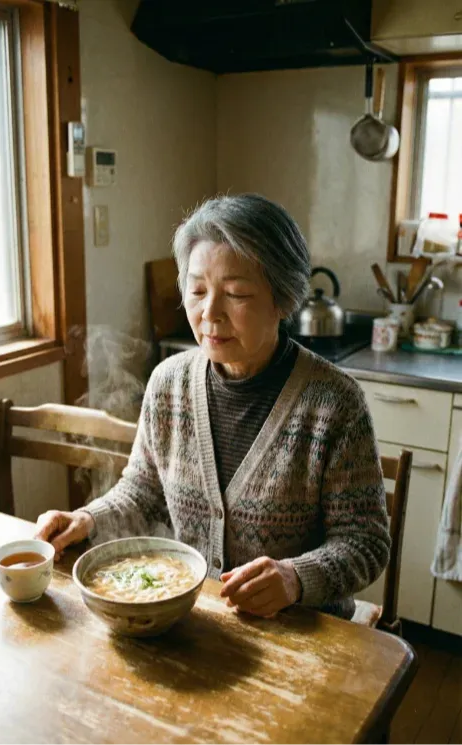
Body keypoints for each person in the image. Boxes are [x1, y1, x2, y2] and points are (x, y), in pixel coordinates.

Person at [36, 193, 390, 620]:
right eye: (198, 290)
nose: (210, 313)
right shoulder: (168, 384)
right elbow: (144, 490)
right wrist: (87, 519)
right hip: (196, 617)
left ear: (283, 300)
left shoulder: (335, 405)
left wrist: (296, 578)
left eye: (237, 293)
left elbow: (365, 542)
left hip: (302, 631)